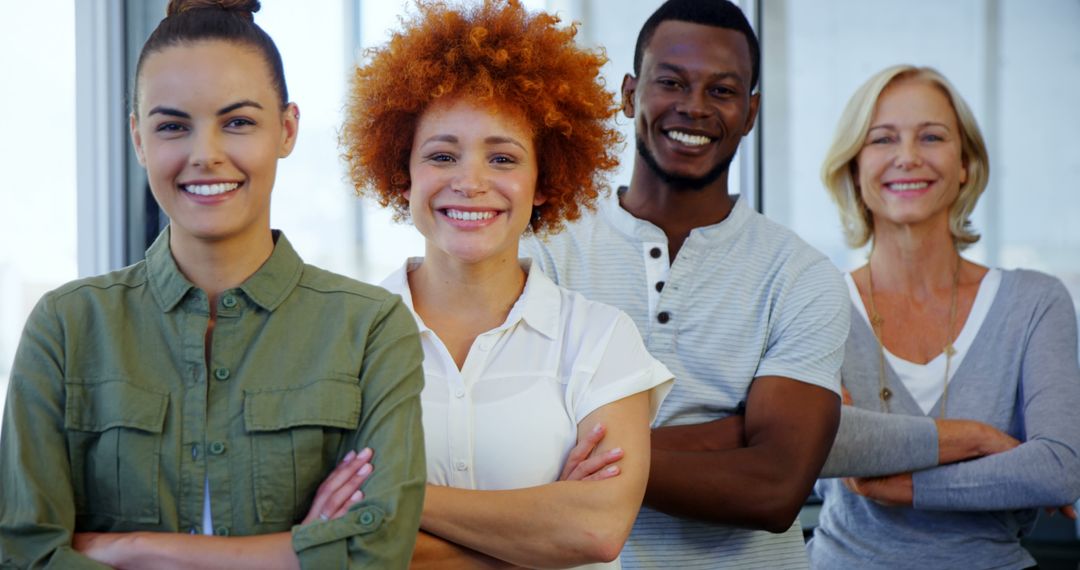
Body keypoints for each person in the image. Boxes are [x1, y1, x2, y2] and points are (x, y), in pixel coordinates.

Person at [0, 1, 426, 568]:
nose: (205, 155)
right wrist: (299, 553)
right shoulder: (66, 326)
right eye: (173, 126)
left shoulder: (371, 327)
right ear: (137, 138)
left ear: (288, 128)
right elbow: (25, 552)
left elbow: (376, 550)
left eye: (238, 122)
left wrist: (132, 548)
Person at [340, 1, 674, 568]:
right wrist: (538, 533)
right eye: (442, 155)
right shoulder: (341, 339)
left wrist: (395, 497)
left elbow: (594, 531)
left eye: (503, 158)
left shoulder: (601, 341)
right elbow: (332, 542)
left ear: (545, 181)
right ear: (403, 173)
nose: (470, 182)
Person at [522, 0, 848, 568]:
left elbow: (775, 487)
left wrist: (586, 455)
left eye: (721, 91)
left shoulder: (801, 275)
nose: (693, 108)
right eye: (671, 82)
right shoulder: (542, 253)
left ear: (750, 113)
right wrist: (726, 436)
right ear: (628, 94)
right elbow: (517, 450)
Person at [805, 64, 1080, 569]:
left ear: (965, 166)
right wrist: (979, 439)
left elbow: (1058, 468)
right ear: (853, 169)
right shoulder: (814, 298)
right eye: (883, 139)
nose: (908, 157)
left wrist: (901, 485)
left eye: (931, 137)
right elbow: (827, 445)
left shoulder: (1036, 302)